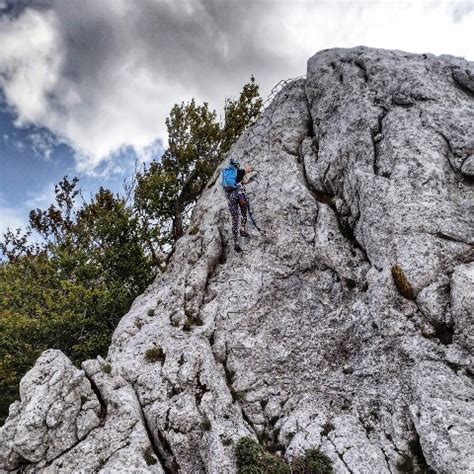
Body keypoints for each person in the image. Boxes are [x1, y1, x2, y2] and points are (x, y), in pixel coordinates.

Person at [222, 160, 253, 253]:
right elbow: (239, 178)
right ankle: (242, 228)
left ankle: (236, 242)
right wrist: (246, 170)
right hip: (239, 195)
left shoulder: (225, 173)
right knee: (244, 209)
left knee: (235, 219)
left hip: (230, 197)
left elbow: (237, 182)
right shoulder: (234, 171)